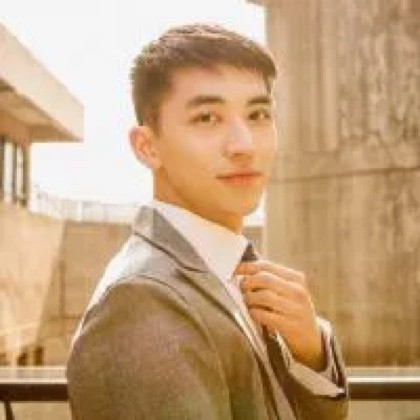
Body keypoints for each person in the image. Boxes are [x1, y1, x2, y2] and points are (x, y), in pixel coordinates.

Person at [67, 23, 349, 419]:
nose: (244, 145)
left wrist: (311, 354)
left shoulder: (225, 272)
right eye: (207, 118)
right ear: (147, 146)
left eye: (258, 114)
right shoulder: (141, 304)